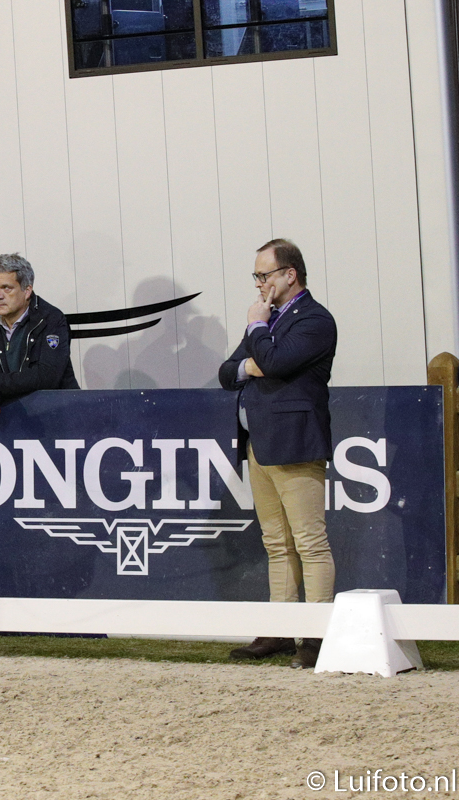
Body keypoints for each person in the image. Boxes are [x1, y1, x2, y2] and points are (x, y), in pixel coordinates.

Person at [219, 238, 337, 669]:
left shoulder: (315, 321)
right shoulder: (268, 320)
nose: (259, 285)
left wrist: (256, 328)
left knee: (309, 541)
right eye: (256, 276)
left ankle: (316, 635)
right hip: (260, 445)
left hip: (296, 442)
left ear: (290, 274)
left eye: (264, 275)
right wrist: (252, 362)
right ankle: (281, 628)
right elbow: (227, 371)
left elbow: (279, 361)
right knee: (276, 543)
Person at [0, 253, 78, 419]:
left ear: (27, 291)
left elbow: (46, 376)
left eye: (6, 288)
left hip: (57, 416)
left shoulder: (52, 319)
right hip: (7, 418)